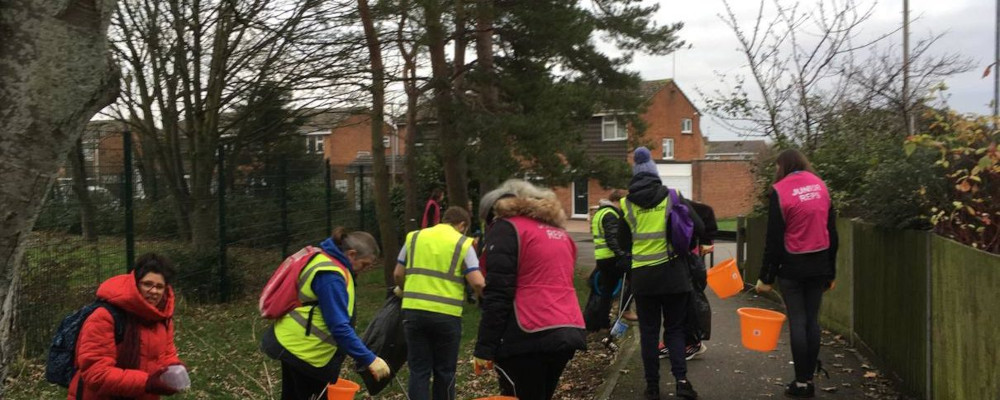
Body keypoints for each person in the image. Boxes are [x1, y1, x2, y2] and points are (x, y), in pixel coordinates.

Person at [473, 179, 587, 400]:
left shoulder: (506, 228)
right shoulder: (559, 233)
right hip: (567, 328)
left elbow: (498, 293)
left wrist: (484, 348)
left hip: (526, 332)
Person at [262, 228, 391, 400]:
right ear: (351, 254)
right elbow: (339, 327)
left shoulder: (329, 262)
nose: (364, 270)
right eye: (364, 264)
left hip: (297, 345)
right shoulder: (331, 276)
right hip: (304, 352)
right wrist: (370, 359)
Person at [618, 146, 704, 400]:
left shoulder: (625, 205)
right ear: (655, 172)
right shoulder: (673, 196)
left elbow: (623, 244)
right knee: (675, 330)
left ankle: (652, 387)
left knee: (648, 332)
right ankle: (681, 381)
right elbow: (697, 227)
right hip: (674, 275)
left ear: (635, 174)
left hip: (644, 280)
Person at [755, 149, 838, 399]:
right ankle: (808, 381)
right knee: (812, 321)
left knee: (798, 322)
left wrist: (766, 277)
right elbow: (832, 234)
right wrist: (831, 271)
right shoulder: (821, 186)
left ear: (782, 166)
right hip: (819, 264)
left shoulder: (780, 190)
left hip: (792, 266)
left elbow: (774, 240)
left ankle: (801, 383)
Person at [393, 206, 486, 400]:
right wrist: (484, 300)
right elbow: (477, 281)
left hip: (414, 312)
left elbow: (398, 274)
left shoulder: (414, 237)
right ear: (462, 225)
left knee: (419, 370)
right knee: (445, 371)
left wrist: (407, 289)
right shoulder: (462, 243)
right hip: (446, 315)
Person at [69, 253, 186, 400]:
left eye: (159, 286)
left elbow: (167, 354)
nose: (154, 291)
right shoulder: (105, 316)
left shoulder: (162, 318)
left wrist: (175, 368)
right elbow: (96, 373)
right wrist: (147, 383)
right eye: (147, 284)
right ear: (136, 283)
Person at [659, 201, 716, 361]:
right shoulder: (659, 204)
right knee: (674, 304)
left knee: (690, 303)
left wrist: (707, 240)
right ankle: (672, 342)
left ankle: (693, 342)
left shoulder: (676, 202)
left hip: (689, 261)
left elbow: (706, 211)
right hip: (675, 261)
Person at [586, 189, 629, 331]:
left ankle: (603, 322)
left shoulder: (600, 212)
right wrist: (622, 254)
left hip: (602, 257)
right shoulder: (610, 214)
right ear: (618, 201)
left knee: (606, 291)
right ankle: (626, 310)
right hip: (611, 258)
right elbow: (612, 239)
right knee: (632, 281)